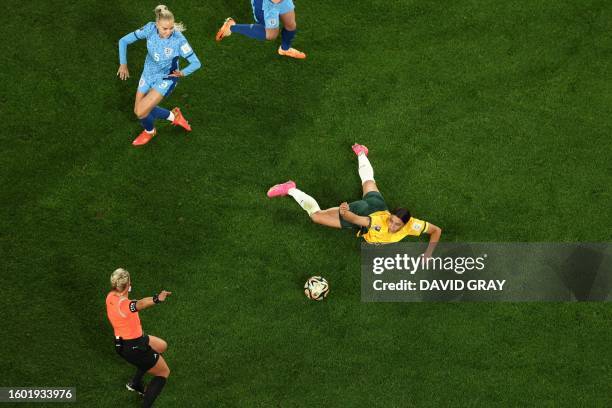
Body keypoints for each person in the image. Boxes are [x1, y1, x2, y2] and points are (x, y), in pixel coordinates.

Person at [267, 144, 443, 256]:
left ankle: (361, 153)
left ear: (407, 223)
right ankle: (290, 189)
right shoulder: (377, 223)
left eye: (396, 224)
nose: (391, 226)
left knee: (368, 181)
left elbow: (436, 231)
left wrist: (428, 254)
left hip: (377, 205)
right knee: (317, 216)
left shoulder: (414, 225)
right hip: (360, 213)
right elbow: (355, 219)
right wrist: (345, 212)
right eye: (391, 221)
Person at [117, 5, 201, 146]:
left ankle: (150, 132)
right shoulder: (150, 29)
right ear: (157, 25)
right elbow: (123, 41)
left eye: (171, 28)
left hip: (166, 78)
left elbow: (196, 63)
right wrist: (123, 64)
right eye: (164, 29)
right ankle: (175, 116)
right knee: (139, 111)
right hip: (148, 73)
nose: (168, 32)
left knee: (140, 111)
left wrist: (182, 72)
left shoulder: (179, 40)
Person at [105, 268, 172, 407]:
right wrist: (157, 299)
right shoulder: (125, 305)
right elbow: (140, 304)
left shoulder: (110, 297)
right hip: (134, 347)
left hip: (124, 342)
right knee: (163, 372)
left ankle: (135, 384)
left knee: (161, 346)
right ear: (127, 284)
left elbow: (134, 303)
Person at [215, 0, 306, 59]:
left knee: (290, 25)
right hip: (265, 4)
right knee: (271, 34)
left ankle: (285, 49)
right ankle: (231, 27)